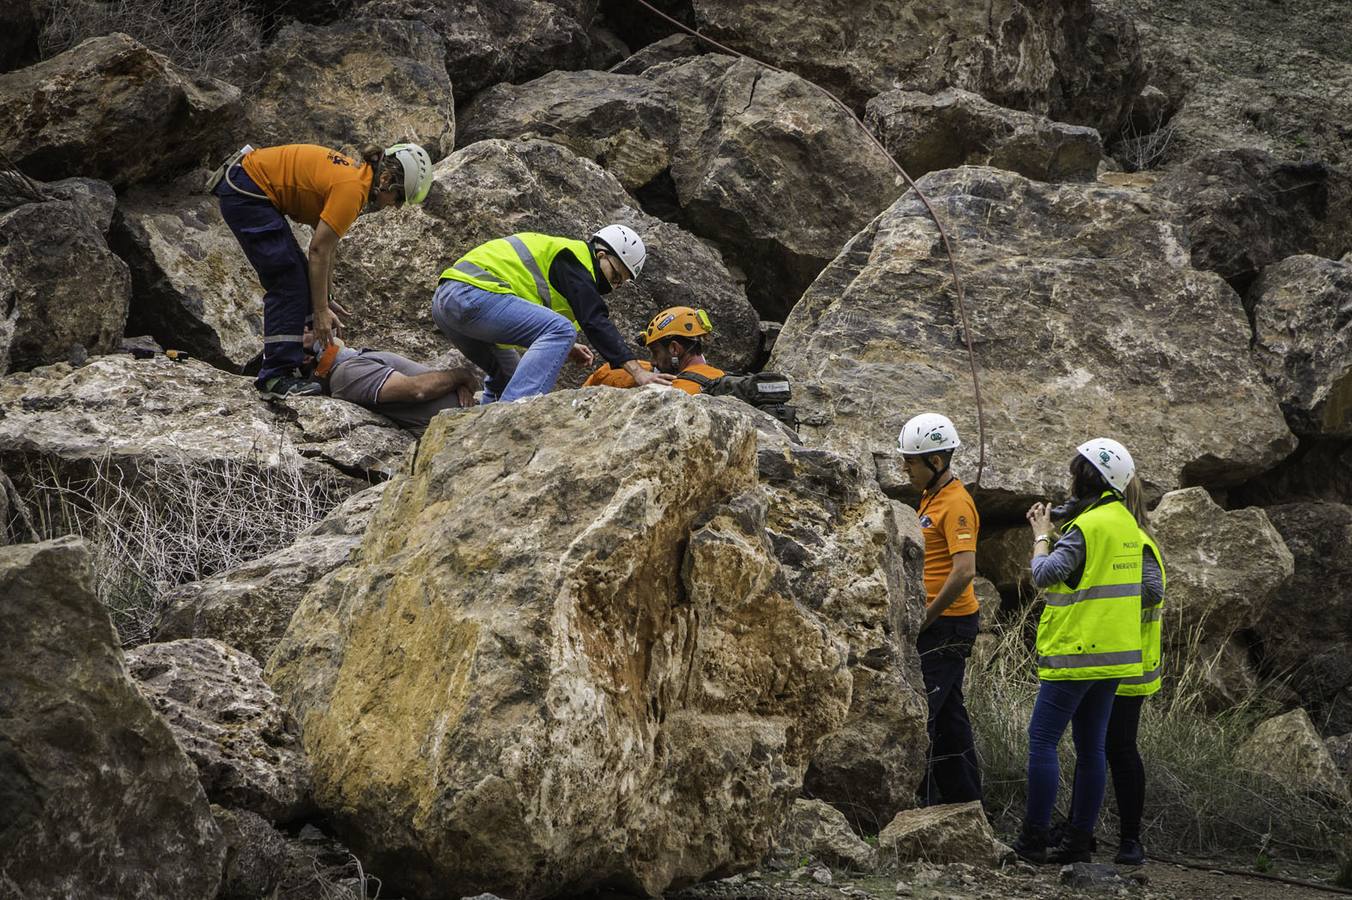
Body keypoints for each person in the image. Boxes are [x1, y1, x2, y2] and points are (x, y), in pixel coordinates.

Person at [1013, 438, 1148, 865]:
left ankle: (1033, 839)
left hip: (1075, 653)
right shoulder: (1126, 522)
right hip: (1116, 655)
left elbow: (1045, 574)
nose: (1072, 478)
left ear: (1088, 476)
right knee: (1092, 749)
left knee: (1042, 742)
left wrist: (1041, 536)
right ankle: (1077, 843)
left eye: (1076, 472)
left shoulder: (1086, 529)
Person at [213, 142, 434, 398]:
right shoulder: (353, 190)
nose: (393, 206)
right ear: (386, 179)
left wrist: (326, 301)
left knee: (302, 281)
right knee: (288, 284)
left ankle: (297, 360)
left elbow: (329, 248)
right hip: (247, 192)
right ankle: (275, 376)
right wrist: (319, 312)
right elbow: (317, 250)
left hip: (251, 187)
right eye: (398, 198)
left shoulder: (355, 181)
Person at [432, 226, 674, 403]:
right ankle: (514, 411)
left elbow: (525, 315)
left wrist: (567, 346)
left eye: (621, 283)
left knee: (509, 372)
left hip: (449, 304)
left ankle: (481, 421)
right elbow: (595, 321)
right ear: (601, 255)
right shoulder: (574, 258)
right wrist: (638, 372)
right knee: (561, 329)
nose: (615, 286)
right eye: (616, 276)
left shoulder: (567, 268)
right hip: (469, 294)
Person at [898, 413, 983, 807]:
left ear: (935, 461)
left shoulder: (957, 504)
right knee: (948, 715)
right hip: (937, 622)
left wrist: (926, 616)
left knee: (925, 714)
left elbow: (964, 570)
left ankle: (923, 801)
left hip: (947, 625)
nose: (905, 469)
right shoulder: (931, 497)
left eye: (910, 462)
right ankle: (965, 802)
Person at [303, 328, 480, 438]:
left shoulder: (350, 364)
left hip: (469, 420)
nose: (310, 328)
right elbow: (417, 390)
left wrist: (458, 383)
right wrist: (460, 375)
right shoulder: (346, 373)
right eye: (305, 331)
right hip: (462, 430)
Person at [583, 306, 724, 394]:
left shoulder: (675, 391)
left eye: (656, 352)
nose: (653, 361)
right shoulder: (721, 378)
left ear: (674, 349)